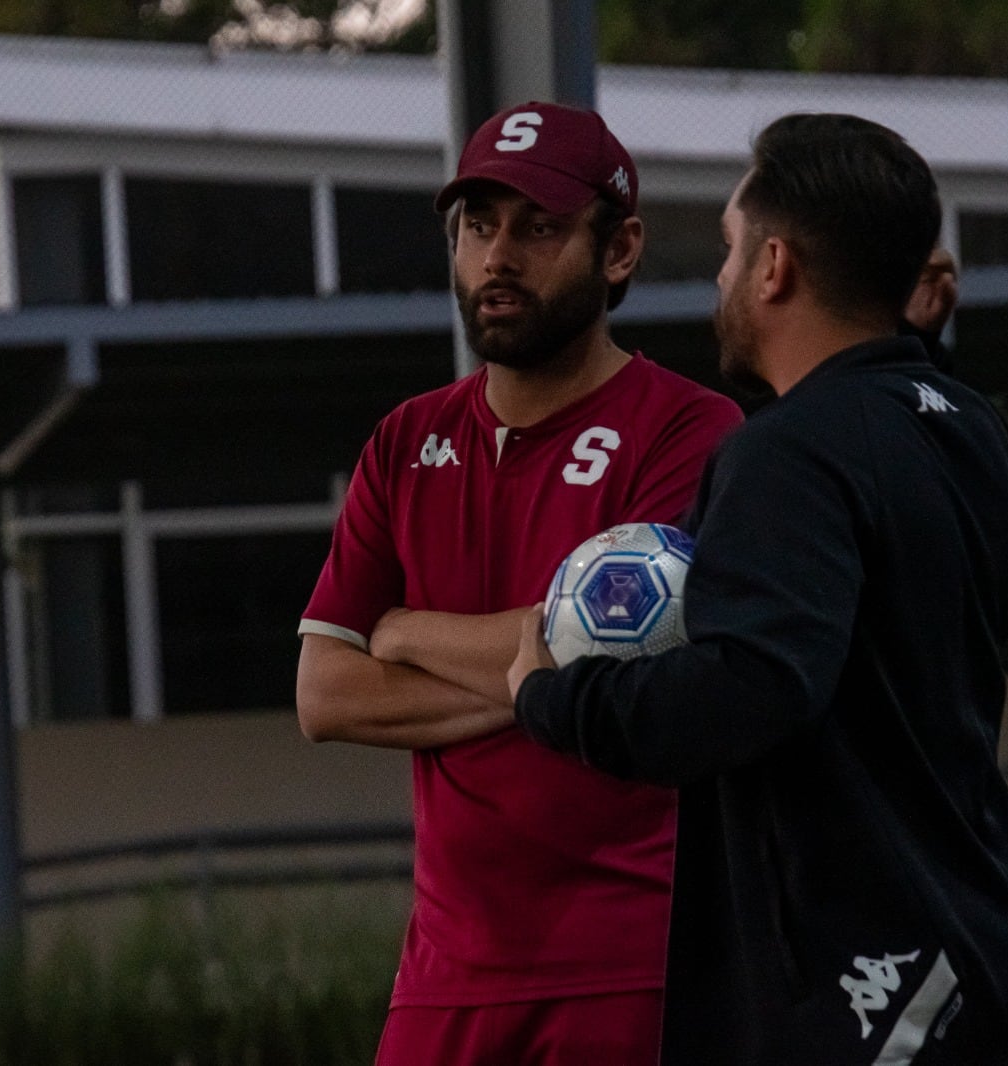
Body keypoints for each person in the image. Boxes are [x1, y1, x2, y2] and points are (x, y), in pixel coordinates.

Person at [509, 113, 1008, 1066]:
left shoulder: (787, 453)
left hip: (865, 982)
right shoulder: (963, 423)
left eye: (727, 248)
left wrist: (551, 697)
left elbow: (748, 687)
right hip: (973, 931)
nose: (718, 277)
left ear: (775, 268)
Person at [295, 100, 745, 1065]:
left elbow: (631, 658)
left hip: (633, 962)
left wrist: (408, 630)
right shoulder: (406, 440)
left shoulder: (692, 433)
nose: (498, 257)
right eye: (478, 225)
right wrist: (543, 676)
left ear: (618, 249)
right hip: (443, 979)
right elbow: (324, 695)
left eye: (539, 228)